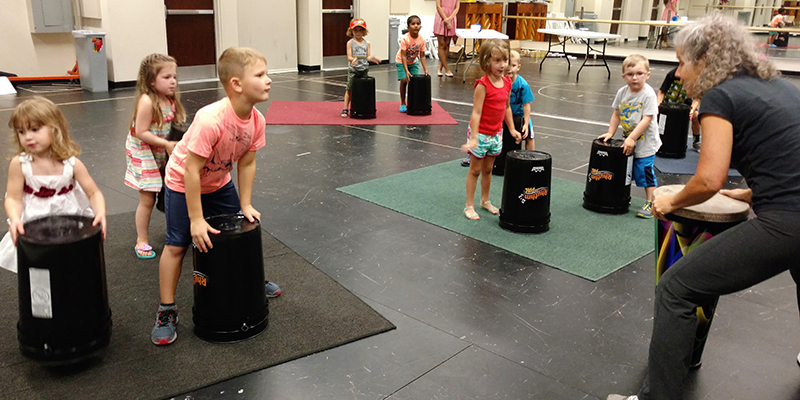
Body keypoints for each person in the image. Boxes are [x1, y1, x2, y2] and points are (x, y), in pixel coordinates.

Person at [607, 13, 800, 400]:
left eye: (682, 62)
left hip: (789, 220)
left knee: (677, 289)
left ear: (706, 61)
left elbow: (709, 179)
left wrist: (670, 198)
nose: (677, 73)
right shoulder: (780, 86)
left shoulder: (720, 96)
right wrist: (749, 193)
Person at [151, 47, 281, 346]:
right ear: (236, 84)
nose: (268, 80)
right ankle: (166, 311)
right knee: (176, 245)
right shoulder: (211, 120)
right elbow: (191, 171)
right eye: (260, 75)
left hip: (219, 183)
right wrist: (196, 219)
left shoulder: (257, 120)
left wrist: (245, 203)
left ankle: (253, 282)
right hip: (183, 182)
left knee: (238, 234)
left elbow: (247, 162)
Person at [0, 97, 107, 273]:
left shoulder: (71, 163)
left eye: (35, 129)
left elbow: (93, 193)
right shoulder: (20, 164)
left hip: (67, 221)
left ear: (55, 129)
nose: (28, 137)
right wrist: (15, 219)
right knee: (38, 269)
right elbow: (13, 198)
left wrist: (100, 213)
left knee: (69, 267)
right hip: (36, 223)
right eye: (21, 132)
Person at [124, 54, 186, 259]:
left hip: (161, 149)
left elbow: (174, 125)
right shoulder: (147, 102)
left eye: (174, 77)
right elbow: (142, 132)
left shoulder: (170, 100)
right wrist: (166, 144)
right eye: (166, 77)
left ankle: (177, 233)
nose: (173, 82)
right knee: (147, 198)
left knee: (173, 191)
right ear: (151, 80)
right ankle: (141, 239)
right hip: (144, 152)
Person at [460, 39, 521, 220]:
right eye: (497, 61)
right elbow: (476, 112)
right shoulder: (483, 85)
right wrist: (474, 138)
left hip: (497, 134)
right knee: (475, 170)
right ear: (486, 62)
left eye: (505, 60)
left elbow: (506, 107)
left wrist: (511, 128)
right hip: (480, 135)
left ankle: (485, 200)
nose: (502, 65)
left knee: (488, 169)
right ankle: (469, 205)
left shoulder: (507, 83)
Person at [598, 54, 661, 219]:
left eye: (640, 73)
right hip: (629, 141)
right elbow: (616, 114)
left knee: (644, 172)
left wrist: (632, 138)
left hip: (645, 144)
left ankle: (651, 202)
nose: (635, 77)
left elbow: (647, 119)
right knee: (626, 170)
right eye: (630, 74)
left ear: (647, 75)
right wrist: (611, 132)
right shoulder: (622, 92)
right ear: (623, 77)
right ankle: (622, 197)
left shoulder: (648, 95)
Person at [341, 19, 381, 118]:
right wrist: (353, 60)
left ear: (364, 31)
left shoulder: (367, 43)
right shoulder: (350, 43)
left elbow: (367, 56)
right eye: (355, 30)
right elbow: (349, 57)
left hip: (364, 69)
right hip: (354, 69)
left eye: (360, 30)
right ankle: (345, 108)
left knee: (363, 89)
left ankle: (363, 106)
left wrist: (371, 59)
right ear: (351, 31)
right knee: (349, 89)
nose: (358, 33)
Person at [657, 67, 701, 151]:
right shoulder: (672, 74)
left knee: (696, 116)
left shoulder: (696, 77)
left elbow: (697, 98)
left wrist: (692, 109)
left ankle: (696, 141)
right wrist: (658, 105)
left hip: (684, 104)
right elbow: (661, 91)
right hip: (668, 103)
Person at [396, 15, 429, 113]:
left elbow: (422, 56)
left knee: (414, 81)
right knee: (404, 80)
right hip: (401, 61)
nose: (416, 26)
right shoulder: (405, 39)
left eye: (418, 24)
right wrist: (406, 71)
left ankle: (413, 101)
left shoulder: (422, 40)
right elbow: (403, 56)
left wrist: (426, 69)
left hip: (413, 62)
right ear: (408, 27)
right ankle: (402, 102)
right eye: (413, 24)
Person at [507, 50, 535, 151]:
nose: (509, 68)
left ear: (518, 67)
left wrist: (526, 124)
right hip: (504, 115)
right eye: (508, 65)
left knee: (529, 137)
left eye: (513, 65)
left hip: (520, 116)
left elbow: (526, 105)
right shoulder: (500, 81)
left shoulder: (522, 84)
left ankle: (530, 158)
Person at [433, 0, 460, 78]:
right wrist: (445, 19)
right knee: (441, 43)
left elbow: (457, 8)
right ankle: (447, 69)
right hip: (441, 17)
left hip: (451, 18)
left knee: (447, 43)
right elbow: (438, 6)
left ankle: (440, 67)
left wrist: (450, 19)